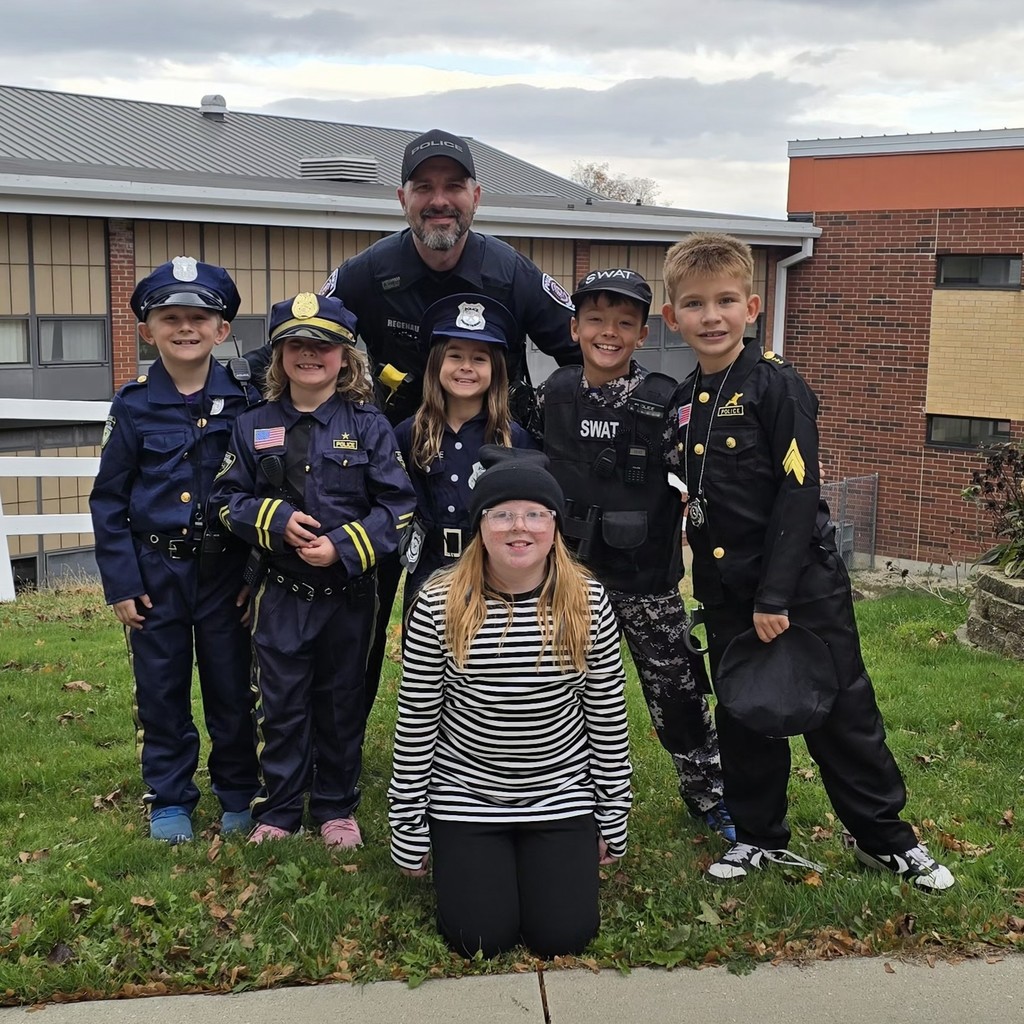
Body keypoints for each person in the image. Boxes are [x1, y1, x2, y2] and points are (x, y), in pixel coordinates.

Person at [661, 232, 955, 890]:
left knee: (840, 713)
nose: (712, 316)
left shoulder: (777, 386)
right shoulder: (685, 401)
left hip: (801, 587)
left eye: (726, 301)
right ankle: (758, 835)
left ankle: (885, 839)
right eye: (696, 304)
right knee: (744, 715)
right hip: (727, 591)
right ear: (672, 316)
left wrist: (776, 599)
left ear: (753, 306)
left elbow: (798, 494)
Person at [252, 128, 582, 716]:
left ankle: (501, 732)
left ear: (476, 197)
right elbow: (306, 341)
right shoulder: (367, 271)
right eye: (423, 187)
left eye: (453, 186)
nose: (439, 200)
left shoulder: (511, 272)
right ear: (401, 199)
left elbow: (580, 352)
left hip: (492, 459)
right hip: (384, 462)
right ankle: (336, 753)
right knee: (368, 614)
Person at [389, 446, 632, 959]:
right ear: (480, 525)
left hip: (559, 791)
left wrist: (613, 816)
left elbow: (607, 717)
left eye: (534, 514)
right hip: (466, 794)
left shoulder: (587, 601)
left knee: (562, 937)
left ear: (554, 526)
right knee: (480, 939)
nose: (518, 527)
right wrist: (407, 825)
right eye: (501, 514)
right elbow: (416, 723)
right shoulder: (439, 600)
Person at [209, 293, 416, 847]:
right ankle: (279, 809)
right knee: (280, 705)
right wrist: (272, 520)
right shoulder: (252, 425)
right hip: (279, 595)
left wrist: (345, 546)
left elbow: (399, 508)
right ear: (278, 358)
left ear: (345, 359)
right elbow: (226, 500)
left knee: (341, 701)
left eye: (322, 346)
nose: (309, 355)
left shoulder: (369, 427)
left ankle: (335, 807)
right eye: (295, 345)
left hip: (348, 596)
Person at [537, 268, 732, 840]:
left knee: (678, 692)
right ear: (574, 328)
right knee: (555, 696)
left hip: (645, 579)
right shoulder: (553, 395)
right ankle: (563, 795)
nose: (609, 333)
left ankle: (710, 796)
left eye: (624, 323)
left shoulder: (665, 400)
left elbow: (705, 476)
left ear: (642, 334)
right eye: (596, 320)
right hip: (563, 581)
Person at [89, 257, 261, 844]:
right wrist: (122, 582)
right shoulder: (132, 405)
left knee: (232, 687)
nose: (185, 328)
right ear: (147, 330)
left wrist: (255, 573)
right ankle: (169, 797)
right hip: (155, 573)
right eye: (170, 318)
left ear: (222, 329)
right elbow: (109, 500)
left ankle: (238, 791)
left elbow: (264, 491)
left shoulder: (245, 400)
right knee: (160, 691)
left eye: (199, 317)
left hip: (225, 572)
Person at [394, 292, 536, 613]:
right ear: (436, 364)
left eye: (479, 359)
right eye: (455, 356)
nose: (466, 368)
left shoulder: (514, 439)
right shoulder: (408, 434)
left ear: (496, 369)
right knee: (425, 660)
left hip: (494, 573)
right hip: (428, 573)